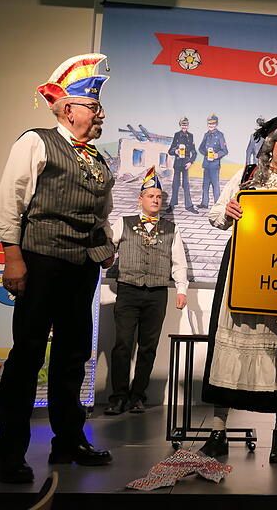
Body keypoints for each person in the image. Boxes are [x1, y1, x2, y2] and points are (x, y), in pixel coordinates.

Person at [0, 53, 115, 483]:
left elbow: (102, 212)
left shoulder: (98, 158)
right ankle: (9, 453)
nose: (101, 115)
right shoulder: (37, 141)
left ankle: (68, 442)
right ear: (68, 109)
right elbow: (11, 200)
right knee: (26, 355)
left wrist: (107, 245)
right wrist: (12, 256)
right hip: (41, 261)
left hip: (82, 268)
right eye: (94, 108)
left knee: (73, 358)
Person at [199, 116, 277, 464]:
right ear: (270, 144)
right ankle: (218, 433)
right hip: (242, 269)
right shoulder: (246, 177)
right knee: (229, 345)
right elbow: (215, 214)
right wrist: (228, 209)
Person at [104, 169, 189, 415]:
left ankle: (137, 396)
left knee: (148, 347)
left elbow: (178, 262)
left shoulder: (171, 228)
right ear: (140, 199)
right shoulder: (125, 222)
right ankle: (118, 397)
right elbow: (109, 247)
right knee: (122, 345)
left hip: (157, 293)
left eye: (159, 196)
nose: (155, 200)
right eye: (150, 195)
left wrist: (181, 290)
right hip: (128, 291)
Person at [167, 116, 198, 214]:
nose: (184, 127)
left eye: (186, 125)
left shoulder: (191, 136)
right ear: (180, 125)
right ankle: (172, 205)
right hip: (177, 164)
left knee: (186, 185)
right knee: (175, 185)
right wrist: (175, 151)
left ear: (188, 126)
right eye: (182, 125)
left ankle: (189, 206)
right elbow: (170, 151)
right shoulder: (176, 135)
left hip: (185, 164)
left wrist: (190, 162)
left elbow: (194, 152)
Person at [197, 114, 228, 208]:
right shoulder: (206, 135)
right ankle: (204, 203)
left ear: (216, 124)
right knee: (205, 185)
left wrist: (217, 155)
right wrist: (206, 154)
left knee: (215, 185)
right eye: (209, 124)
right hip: (206, 164)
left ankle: (217, 204)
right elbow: (200, 148)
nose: (211, 125)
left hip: (214, 165)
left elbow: (225, 151)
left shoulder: (220, 135)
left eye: (213, 124)